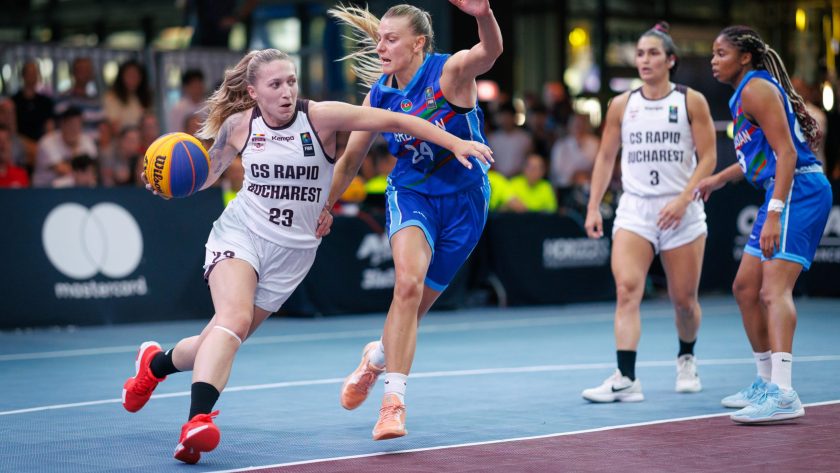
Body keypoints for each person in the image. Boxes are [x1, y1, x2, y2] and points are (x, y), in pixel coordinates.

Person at [120, 48, 492, 464]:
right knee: (233, 320)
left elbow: (396, 121)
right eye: (275, 84)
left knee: (220, 338)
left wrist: (456, 141)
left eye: (291, 82)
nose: (286, 91)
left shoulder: (320, 117)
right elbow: (205, 173)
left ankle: (155, 364)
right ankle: (196, 423)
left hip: (292, 254)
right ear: (253, 91)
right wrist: (168, 184)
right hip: (241, 235)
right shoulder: (240, 125)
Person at [323, 0, 502, 440]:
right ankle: (393, 404)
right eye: (379, 39)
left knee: (413, 310)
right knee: (407, 285)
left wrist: (483, 14)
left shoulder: (449, 73)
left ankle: (376, 359)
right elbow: (350, 161)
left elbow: (491, 52)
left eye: (391, 39)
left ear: (418, 43)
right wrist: (325, 206)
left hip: (465, 203)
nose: (380, 47)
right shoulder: (379, 96)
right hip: (411, 193)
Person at [697, 26, 831, 424]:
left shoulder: (756, 89)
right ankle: (765, 380)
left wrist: (773, 213)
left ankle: (784, 393)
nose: (713, 61)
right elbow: (760, 159)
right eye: (713, 53)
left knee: (773, 291)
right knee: (744, 288)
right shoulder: (745, 93)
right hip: (783, 189)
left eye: (721, 53)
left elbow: (787, 154)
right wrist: (718, 179)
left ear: (744, 57)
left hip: (799, 190)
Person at [581, 22, 717, 403]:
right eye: (640, 53)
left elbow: (709, 156)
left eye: (653, 53)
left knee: (684, 301)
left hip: (681, 208)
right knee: (627, 290)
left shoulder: (690, 101)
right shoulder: (622, 104)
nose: (645, 60)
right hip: (636, 209)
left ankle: (686, 358)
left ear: (670, 60)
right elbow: (605, 157)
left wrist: (684, 199)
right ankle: (626, 378)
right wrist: (593, 206)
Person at [103, 59, 153, 132]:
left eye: (136, 75)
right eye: (129, 75)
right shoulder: (112, 97)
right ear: (121, 77)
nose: (133, 79)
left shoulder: (143, 96)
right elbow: (114, 127)